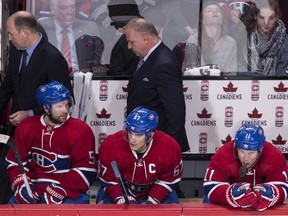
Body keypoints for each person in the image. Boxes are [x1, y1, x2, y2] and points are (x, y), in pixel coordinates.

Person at [0, 11, 73, 204]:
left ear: (24, 32)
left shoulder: (53, 58)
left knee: (25, 179)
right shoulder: (16, 51)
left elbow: (66, 100)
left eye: (11, 33)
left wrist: (30, 113)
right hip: (16, 131)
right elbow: (8, 86)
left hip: (40, 135)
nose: (9, 38)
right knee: (7, 173)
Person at [5, 81, 97, 204]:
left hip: (67, 190)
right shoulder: (26, 127)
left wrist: (62, 190)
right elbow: (15, 162)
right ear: (45, 108)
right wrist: (22, 186)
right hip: (34, 187)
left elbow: (86, 169)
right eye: (59, 106)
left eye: (67, 105)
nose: (65, 110)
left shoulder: (81, 130)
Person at [124, 17, 190, 153]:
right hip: (145, 143)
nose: (129, 47)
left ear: (145, 39)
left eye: (131, 42)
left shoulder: (165, 63)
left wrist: (167, 147)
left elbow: (175, 111)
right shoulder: (145, 58)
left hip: (158, 145)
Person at [96, 106, 183, 204]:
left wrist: (152, 200)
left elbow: (168, 179)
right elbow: (109, 179)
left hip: (154, 191)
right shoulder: (111, 145)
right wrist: (121, 197)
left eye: (138, 135)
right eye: (130, 132)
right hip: (122, 191)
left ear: (151, 134)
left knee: (172, 208)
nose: (132, 140)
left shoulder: (169, 147)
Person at [203, 124, 288, 211]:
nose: (246, 158)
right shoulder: (224, 154)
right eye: (242, 151)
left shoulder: (273, 156)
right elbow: (210, 186)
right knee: (208, 201)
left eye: (251, 153)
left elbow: (283, 186)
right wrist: (229, 195)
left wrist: (272, 193)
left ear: (260, 150)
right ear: (236, 148)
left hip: (262, 208)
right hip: (229, 207)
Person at [38, 0, 103, 75]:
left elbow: (100, 63)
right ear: (53, 10)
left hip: (82, 79)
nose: (70, 12)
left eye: (72, 7)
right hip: (51, 79)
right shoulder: (42, 28)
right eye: (64, 8)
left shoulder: (90, 28)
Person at [183, 1, 238, 74]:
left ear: (222, 19)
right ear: (203, 20)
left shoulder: (230, 42)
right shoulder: (193, 40)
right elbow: (191, 72)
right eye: (209, 11)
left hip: (223, 84)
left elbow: (231, 74)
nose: (215, 11)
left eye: (218, 10)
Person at [240, 0, 288, 76]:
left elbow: (284, 72)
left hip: (275, 86)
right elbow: (240, 69)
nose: (266, 23)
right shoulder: (244, 36)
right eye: (262, 18)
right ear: (255, 16)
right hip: (247, 85)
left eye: (271, 18)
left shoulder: (284, 40)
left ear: (277, 17)